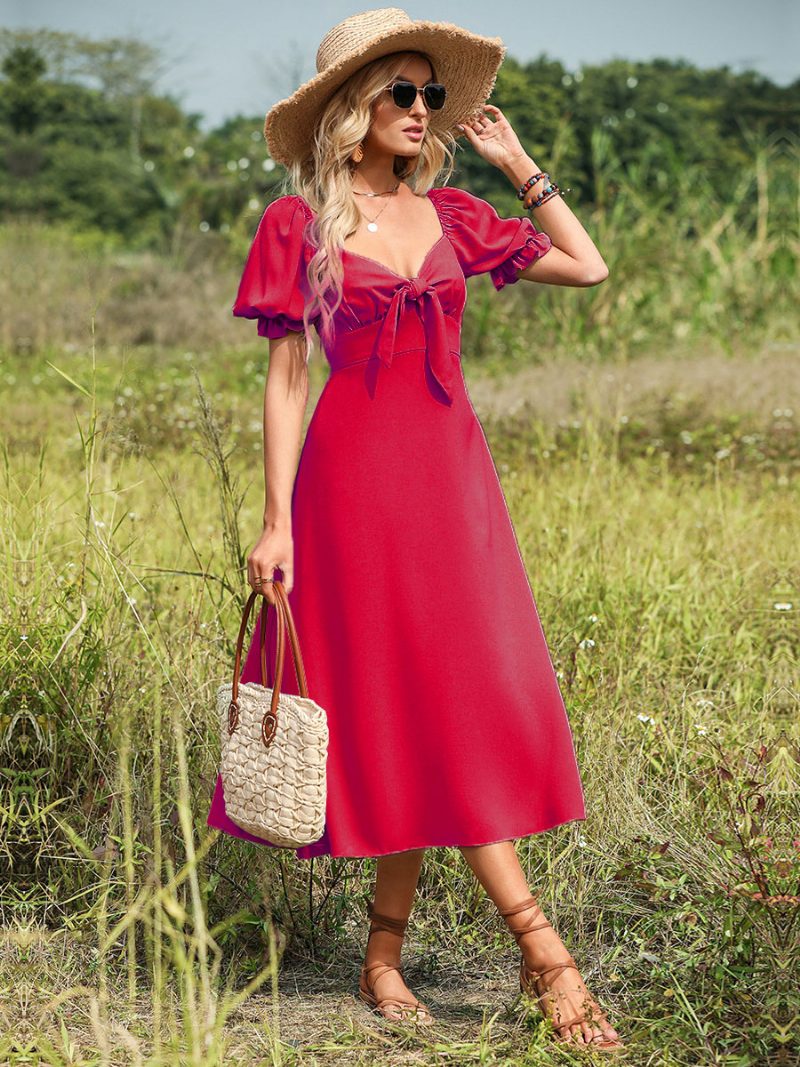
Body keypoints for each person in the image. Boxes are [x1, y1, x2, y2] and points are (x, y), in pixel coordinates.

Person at [207, 7, 623, 1051]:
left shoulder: (454, 215)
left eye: (430, 94)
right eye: (401, 91)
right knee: (407, 703)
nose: (421, 109)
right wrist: (271, 520)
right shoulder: (298, 224)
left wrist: (520, 163)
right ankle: (544, 955)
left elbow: (587, 267)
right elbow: (286, 380)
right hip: (349, 494)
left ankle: (383, 951)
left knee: (453, 701)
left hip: (451, 489)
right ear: (351, 109)